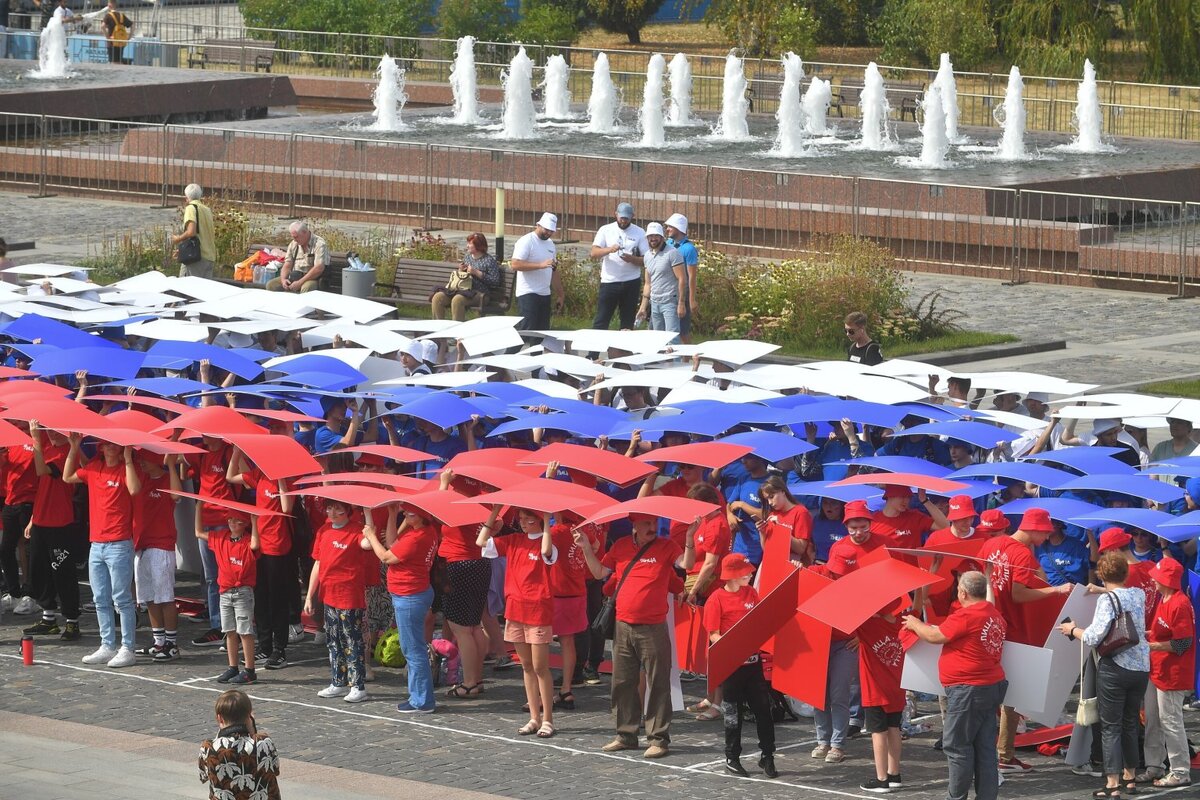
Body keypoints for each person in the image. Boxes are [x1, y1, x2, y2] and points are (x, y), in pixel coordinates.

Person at [576, 511, 696, 759]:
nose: (652, 527)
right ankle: (625, 734)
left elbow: (687, 564)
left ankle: (658, 738)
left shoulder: (666, 546)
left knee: (658, 683)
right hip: (623, 625)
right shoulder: (620, 546)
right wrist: (586, 547)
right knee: (622, 682)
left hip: (653, 627)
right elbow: (599, 573)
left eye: (654, 522)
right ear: (634, 525)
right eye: (646, 523)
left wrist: (689, 539)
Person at [979, 507, 1072, 771]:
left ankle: (991, 752)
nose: (1047, 538)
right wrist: (1055, 591)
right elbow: (1019, 594)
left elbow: (985, 578)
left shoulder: (992, 544)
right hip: (1014, 629)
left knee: (989, 691)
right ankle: (1004, 755)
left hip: (990, 625)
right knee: (1014, 694)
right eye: (1045, 533)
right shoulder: (1021, 553)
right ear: (1035, 529)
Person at [903, 571, 1007, 800]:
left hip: (967, 689)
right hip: (989, 685)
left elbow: (934, 636)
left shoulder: (967, 615)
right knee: (984, 748)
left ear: (963, 593)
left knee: (957, 746)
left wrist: (915, 623)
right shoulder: (993, 612)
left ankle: (957, 797)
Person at [1059, 551, 1150, 799]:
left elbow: (1092, 637)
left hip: (1115, 668)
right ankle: (1130, 777)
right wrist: (1103, 590)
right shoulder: (1138, 594)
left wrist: (1072, 629)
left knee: (1110, 727)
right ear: (1126, 573)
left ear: (1100, 574)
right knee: (1130, 723)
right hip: (1140, 667)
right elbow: (1120, 594)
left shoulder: (1106, 601)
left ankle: (1112, 783)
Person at [478, 505, 558, 738]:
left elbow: (546, 551)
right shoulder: (513, 540)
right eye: (521, 518)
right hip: (515, 610)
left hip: (538, 611)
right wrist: (494, 513)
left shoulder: (547, 543)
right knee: (526, 667)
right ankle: (534, 717)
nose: (523, 523)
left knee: (541, 667)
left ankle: (548, 719)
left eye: (528, 519)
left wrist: (546, 520)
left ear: (539, 520)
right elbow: (481, 542)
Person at [63, 432, 140, 669]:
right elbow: (67, 477)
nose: (110, 447)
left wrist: (128, 458)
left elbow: (135, 489)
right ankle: (107, 645)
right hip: (96, 544)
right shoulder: (94, 468)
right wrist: (74, 447)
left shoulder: (126, 469)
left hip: (119, 543)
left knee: (122, 599)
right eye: (107, 444)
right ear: (101, 447)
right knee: (100, 599)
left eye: (115, 444)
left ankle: (128, 648)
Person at [705, 553, 777, 779]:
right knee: (732, 713)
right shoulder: (716, 599)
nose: (750, 574)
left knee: (763, 711)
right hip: (731, 666)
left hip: (753, 664)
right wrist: (735, 647)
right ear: (733, 575)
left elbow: (760, 620)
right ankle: (732, 757)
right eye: (746, 572)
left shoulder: (751, 593)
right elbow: (713, 634)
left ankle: (768, 755)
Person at [363, 502, 439, 713]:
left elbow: (386, 556)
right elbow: (392, 542)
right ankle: (419, 696)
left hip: (410, 596)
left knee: (413, 649)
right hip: (414, 593)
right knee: (414, 648)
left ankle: (422, 700)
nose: (406, 514)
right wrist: (391, 514)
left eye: (410, 513)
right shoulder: (424, 532)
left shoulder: (416, 538)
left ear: (422, 517)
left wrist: (371, 536)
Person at [304, 500, 373, 704]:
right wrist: (309, 595)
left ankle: (358, 685)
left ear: (347, 511)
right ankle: (338, 681)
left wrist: (368, 513)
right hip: (329, 594)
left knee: (352, 640)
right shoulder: (323, 530)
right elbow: (318, 563)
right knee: (333, 640)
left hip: (349, 594)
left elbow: (367, 544)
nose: (332, 512)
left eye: (338, 509)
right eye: (329, 508)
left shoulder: (356, 530)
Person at [1138, 556, 1194, 788]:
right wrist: (1146, 635)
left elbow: (1183, 643)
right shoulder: (1166, 598)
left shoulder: (1179, 604)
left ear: (1167, 580)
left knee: (1170, 721)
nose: (1153, 581)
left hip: (1172, 674)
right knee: (1153, 718)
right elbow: (1163, 631)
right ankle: (1155, 765)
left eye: (1157, 578)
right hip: (1158, 668)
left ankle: (1180, 771)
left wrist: (1150, 645)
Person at [132, 450, 183, 660]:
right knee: (149, 597)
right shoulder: (141, 478)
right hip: (141, 545)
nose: (141, 462)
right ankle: (159, 641)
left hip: (161, 545)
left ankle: (172, 644)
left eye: (145, 458)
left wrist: (170, 464)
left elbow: (177, 496)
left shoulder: (166, 478)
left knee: (165, 597)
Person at [199, 511, 260, 686]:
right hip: (225, 592)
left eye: (238, 521)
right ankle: (232, 667)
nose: (233, 523)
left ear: (245, 524)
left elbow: (255, 545)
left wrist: (255, 522)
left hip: (242, 592)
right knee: (229, 631)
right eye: (231, 519)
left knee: (245, 631)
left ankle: (250, 670)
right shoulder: (221, 538)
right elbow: (198, 532)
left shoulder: (247, 540)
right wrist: (199, 507)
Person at [198, 690, 281, 800]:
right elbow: (275, 770)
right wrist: (252, 730)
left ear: (219, 718)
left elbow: (203, 777)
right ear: (249, 716)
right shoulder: (264, 742)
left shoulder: (208, 747)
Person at [590, 202, 646, 330]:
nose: (624, 221)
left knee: (627, 322)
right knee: (602, 319)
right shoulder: (605, 230)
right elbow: (593, 253)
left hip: (631, 282)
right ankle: (595, 343)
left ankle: (623, 343)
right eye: (621, 217)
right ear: (616, 214)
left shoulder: (639, 232)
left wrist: (632, 259)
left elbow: (646, 260)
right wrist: (609, 249)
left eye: (627, 218)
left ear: (632, 216)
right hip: (610, 281)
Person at [510, 212, 564, 331]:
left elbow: (554, 270)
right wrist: (540, 265)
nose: (548, 233)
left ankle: (537, 345)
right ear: (538, 225)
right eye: (546, 229)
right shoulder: (526, 241)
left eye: (551, 231)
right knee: (527, 330)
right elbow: (515, 264)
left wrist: (561, 294)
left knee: (542, 332)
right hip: (527, 293)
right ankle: (515, 344)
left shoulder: (550, 244)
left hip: (544, 293)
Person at [431, 232, 501, 322]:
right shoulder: (468, 258)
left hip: (480, 294)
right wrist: (461, 270)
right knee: (437, 297)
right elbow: (463, 276)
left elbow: (495, 282)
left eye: (470, 244)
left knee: (457, 300)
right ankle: (438, 327)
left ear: (478, 245)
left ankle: (457, 328)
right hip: (463, 290)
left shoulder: (489, 261)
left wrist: (476, 273)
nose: (467, 246)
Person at [636, 222, 685, 340]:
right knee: (657, 339)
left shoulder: (672, 253)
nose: (653, 239)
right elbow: (648, 283)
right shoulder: (647, 256)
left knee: (672, 339)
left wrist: (681, 303)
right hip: (654, 303)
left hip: (670, 302)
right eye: (650, 236)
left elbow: (682, 279)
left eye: (656, 236)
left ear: (662, 237)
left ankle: (675, 354)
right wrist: (643, 307)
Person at [663, 213, 699, 342]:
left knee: (683, 331)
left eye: (670, 227)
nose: (667, 229)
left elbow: (692, 276)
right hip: (668, 291)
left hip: (682, 291)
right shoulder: (667, 244)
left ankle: (689, 353)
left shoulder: (689, 249)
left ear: (678, 228)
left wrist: (692, 300)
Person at [266, 221, 328, 293]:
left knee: (306, 288)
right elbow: (287, 265)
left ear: (305, 232)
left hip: (312, 278)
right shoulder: (293, 244)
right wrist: (283, 280)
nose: (294, 240)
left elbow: (319, 268)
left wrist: (300, 282)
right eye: (293, 237)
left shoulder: (319, 244)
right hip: (295, 276)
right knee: (271, 285)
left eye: (296, 237)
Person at [171, 184, 216, 279]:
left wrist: (178, 239)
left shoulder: (191, 208)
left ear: (186, 198)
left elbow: (191, 232)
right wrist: (184, 250)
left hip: (196, 258)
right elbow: (203, 235)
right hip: (210, 257)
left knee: (185, 286)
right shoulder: (207, 210)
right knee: (203, 288)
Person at [100, 0, 131, 65]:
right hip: (121, 41)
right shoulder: (122, 15)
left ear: (110, 5)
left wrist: (108, 38)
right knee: (119, 61)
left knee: (113, 62)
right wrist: (129, 37)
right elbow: (132, 25)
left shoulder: (108, 15)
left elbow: (102, 26)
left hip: (112, 42)